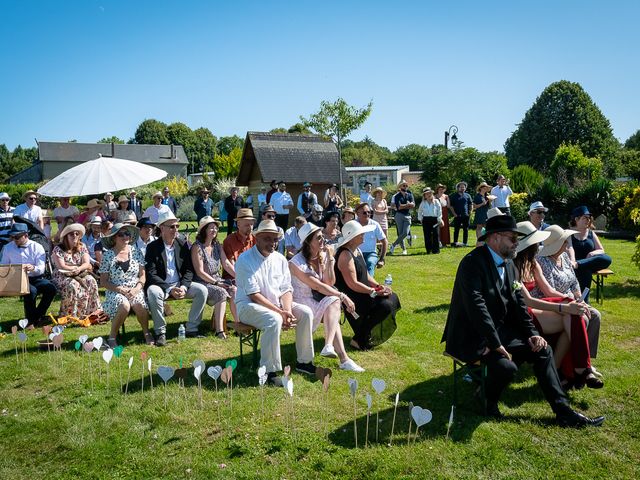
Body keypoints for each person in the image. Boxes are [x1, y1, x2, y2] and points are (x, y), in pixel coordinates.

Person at [441, 215, 604, 427]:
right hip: (472, 335)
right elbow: (476, 308)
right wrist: (494, 343)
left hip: (499, 331)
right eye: (512, 238)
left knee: (542, 350)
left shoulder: (508, 264)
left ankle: (563, 411)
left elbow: (518, 304)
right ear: (495, 238)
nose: (517, 243)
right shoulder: (471, 263)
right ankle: (486, 402)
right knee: (506, 367)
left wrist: (532, 334)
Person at [513, 221, 602, 389]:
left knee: (575, 314)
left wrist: (571, 302)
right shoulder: (513, 267)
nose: (538, 245)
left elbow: (549, 292)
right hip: (521, 315)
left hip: (536, 309)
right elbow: (527, 302)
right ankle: (578, 368)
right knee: (573, 316)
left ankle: (561, 370)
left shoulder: (532, 263)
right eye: (535, 243)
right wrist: (564, 307)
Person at [235, 219, 317, 384]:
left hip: (276, 305)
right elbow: (254, 295)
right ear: (256, 238)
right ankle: (269, 372)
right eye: (267, 238)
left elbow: (286, 289)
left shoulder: (280, 259)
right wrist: (281, 313)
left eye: (275, 239)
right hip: (248, 307)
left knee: (306, 313)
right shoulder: (245, 260)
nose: (272, 243)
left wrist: (287, 310)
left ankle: (304, 362)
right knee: (274, 319)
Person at [289, 223, 365, 372]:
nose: (323, 239)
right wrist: (343, 295)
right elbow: (317, 285)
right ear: (308, 242)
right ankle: (342, 357)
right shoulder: (295, 263)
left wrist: (330, 258)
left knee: (334, 303)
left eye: (322, 236)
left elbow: (329, 283)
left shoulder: (321, 256)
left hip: (317, 299)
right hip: (300, 301)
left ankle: (331, 347)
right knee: (335, 303)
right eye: (318, 238)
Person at [536, 225, 603, 364]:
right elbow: (550, 292)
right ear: (556, 244)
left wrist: (580, 298)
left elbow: (574, 282)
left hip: (572, 300)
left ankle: (586, 358)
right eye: (564, 241)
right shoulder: (543, 261)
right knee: (582, 317)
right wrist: (572, 302)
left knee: (595, 315)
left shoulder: (564, 256)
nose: (567, 244)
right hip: (555, 302)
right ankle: (577, 363)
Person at [334, 220, 400, 351]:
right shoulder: (345, 255)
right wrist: (373, 292)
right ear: (352, 238)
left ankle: (363, 335)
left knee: (393, 298)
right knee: (385, 306)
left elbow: (366, 275)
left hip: (364, 292)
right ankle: (359, 339)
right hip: (354, 297)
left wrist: (379, 286)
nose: (363, 236)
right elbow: (352, 284)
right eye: (360, 234)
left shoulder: (356, 250)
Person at [145, 211, 208, 346]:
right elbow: (151, 273)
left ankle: (192, 328)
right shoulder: (152, 247)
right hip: (162, 285)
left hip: (179, 284)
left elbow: (189, 270)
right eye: (172, 226)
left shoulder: (182, 244)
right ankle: (160, 332)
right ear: (162, 228)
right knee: (153, 292)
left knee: (202, 290)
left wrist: (184, 287)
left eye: (177, 226)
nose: (176, 229)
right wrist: (169, 288)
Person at [99, 223, 153, 348]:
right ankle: (112, 337)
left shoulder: (136, 252)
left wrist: (137, 288)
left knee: (139, 305)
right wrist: (119, 289)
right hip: (115, 290)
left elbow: (142, 275)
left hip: (135, 288)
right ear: (114, 238)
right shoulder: (107, 255)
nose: (125, 237)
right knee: (124, 305)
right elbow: (104, 282)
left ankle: (146, 332)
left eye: (127, 233)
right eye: (121, 234)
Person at [0, 223, 56, 326]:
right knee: (31, 291)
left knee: (51, 289)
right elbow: (3, 267)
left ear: (26, 235)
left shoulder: (37, 247)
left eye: (17, 236)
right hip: (16, 279)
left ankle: (37, 316)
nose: (14, 239)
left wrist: (33, 268)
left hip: (35, 277)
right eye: (12, 236)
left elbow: (41, 269)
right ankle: (31, 321)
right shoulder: (8, 248)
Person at [191, 216, 237, 338]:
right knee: (221, 292)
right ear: (203, 230)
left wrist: (239, 276)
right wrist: (216, 283)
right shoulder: (197, 247)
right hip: (202, 282)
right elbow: (200, 272)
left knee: (234, 290)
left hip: (217, 279)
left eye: (216, 228)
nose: (214, 230)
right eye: (211, 228)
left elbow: (226, 263)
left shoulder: (217, 245)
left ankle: (238, 324)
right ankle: (219, 330)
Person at [51, 223, 101, 318]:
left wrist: (79, 269)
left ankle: (91, 312)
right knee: (73, 285)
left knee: (92, 281)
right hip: (62, 274)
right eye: (71, 234)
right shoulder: (58, 249)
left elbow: (86, 263)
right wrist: (74, 269)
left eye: (77, 234)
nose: (74, 236)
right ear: (66, 236)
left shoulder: (82, 246)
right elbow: (61, 266)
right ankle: (69, 314)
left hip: (80, 272)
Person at [567, 206, 612, 302]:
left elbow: (601, 250)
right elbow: (570, 248)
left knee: (607, 259)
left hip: (585, 263)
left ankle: (580, 264)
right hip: (577, 266)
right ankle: (584, 302)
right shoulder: (570, 234)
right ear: (576, 219)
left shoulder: (591, 233)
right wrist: (573, 261)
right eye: (585, 218)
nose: (588, 220)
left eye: (589, 218)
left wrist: (593, 253)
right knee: (585, 271)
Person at [354, 203, 388, 276]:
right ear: (357, 214)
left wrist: (382, 259)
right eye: (364, 212)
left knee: (370, 262)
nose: (367, 214)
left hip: (371, 253)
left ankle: (369, 284)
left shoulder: (375, 224)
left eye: (369, 212)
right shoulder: (353, 225)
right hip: (356, 253)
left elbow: (384, 241)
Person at [389, 180, 415, 256]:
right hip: (399, 215)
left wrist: (407, 205)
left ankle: (393, 245)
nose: (405, 187)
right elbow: (399, 207)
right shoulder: (397, 196)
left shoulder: (410, 194)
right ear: (400, 187)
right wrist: (408, 205)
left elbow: (413, 205)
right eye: (403, 185)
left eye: (406, 185)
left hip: (407, 215)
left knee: (405, 233)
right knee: (400, 233)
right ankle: (404, 249)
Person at [417, 187, 442, 254]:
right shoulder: (423, 203)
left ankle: (436, 250)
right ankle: (429, 250)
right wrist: (420, 219)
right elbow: (419, 212)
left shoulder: (436, 201)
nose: (429, 195)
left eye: (430, 193)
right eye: (427, 194)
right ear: (424, 195)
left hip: (435, 219)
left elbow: (439, 211)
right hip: (426, 220)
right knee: (427, 235)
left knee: (436, 235)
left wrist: (439, 218)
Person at [448, 181, 473, 247]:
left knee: (466, 229)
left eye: (464, 187)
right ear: (458, 188)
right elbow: (451, 206)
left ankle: (465, 243)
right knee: (456, 230)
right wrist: (454, 214)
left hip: (466, 215)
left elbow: (471, 204)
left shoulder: (468, 195)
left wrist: (470, 212)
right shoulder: (453, 196)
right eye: (461, 187)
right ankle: (455, 242)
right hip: (457, 216)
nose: (463, 188)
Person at [473, 182, 493, 246]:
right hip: (479, 213)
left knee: (487, 227)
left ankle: (486, 240)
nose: (485, 188)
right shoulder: (477, 196)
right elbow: (475, 206)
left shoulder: (487, 196)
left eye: (486, 187)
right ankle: (479, 240)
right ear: (481, 188)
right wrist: (482, 204)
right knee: (479, 227)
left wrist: (490, 201)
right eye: (484, 187)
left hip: (486, 213)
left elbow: (489, 206)